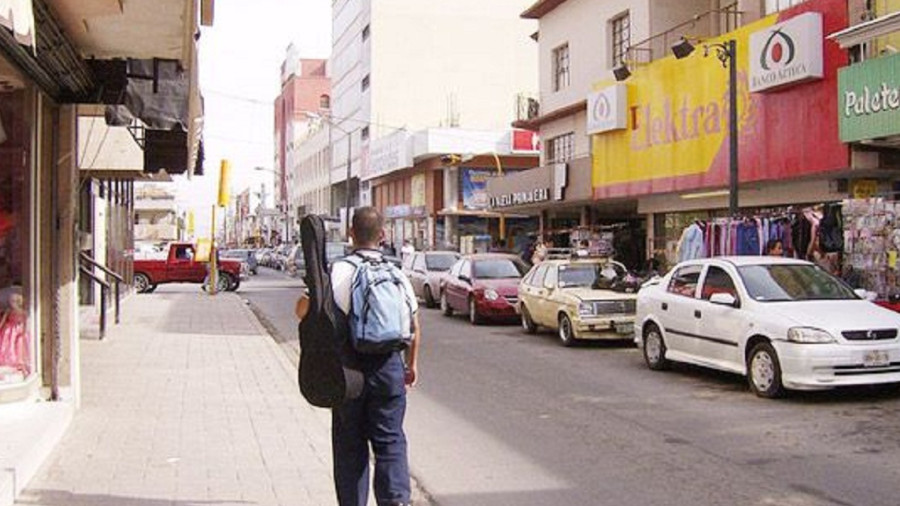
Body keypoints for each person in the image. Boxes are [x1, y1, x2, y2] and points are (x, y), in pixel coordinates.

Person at [330, 207, 420, 506]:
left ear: (350, 234)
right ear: (383, 236)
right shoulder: (396, 273)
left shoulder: (339, 271)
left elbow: (308, 315)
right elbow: (414, 327)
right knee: (390, 440)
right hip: (389, 368)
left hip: (348, 372)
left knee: (350, 446)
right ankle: (396, 501)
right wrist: (411, 366)